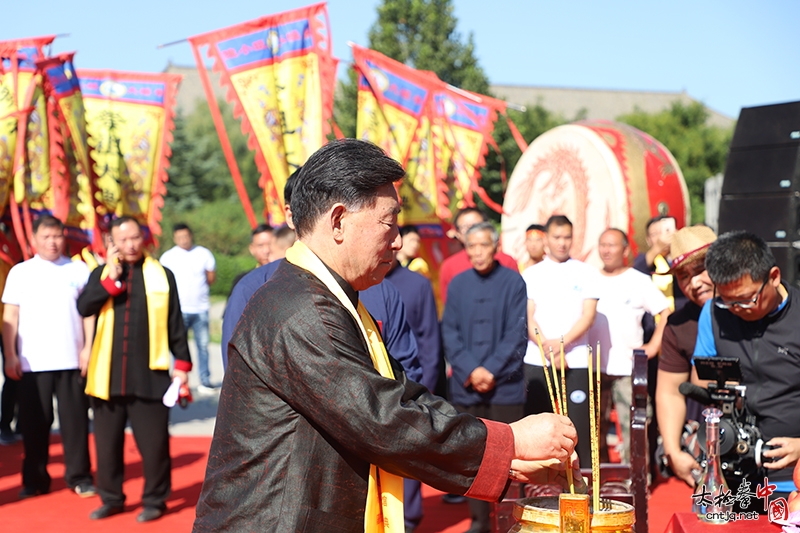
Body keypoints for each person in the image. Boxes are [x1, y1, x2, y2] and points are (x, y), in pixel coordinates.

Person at [194, 139, 583, 532]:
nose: (397, 239)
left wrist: (511, 459)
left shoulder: (329, 296)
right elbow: (383, 419)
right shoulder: (301, 308)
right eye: (389, 222)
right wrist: (509, 444)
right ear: (338, 220)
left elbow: (402, 396)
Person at [77, 216, 193, 522]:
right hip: (107, 376)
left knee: (155, 447)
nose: (130, 245)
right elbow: (84, 307)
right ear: (112, 243)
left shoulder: (162, 275)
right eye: (123, 240)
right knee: (107, 447)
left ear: (143, 239)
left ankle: (155, 499)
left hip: (150, 376)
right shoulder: (100, 274)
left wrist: (181, 366)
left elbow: (175, 324)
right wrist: (110, 281)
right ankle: (111, 498)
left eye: (134, 238)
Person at [693, 231, 800, 499]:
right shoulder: (713, 312)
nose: (737, 308)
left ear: (773, 277)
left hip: (793, 477)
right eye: (728, 301)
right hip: (732, 471)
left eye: (747, 299)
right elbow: (700, 379)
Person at [1, 215, 96, 498]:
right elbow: (10, 315)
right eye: (46, 237)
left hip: (71, 358)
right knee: (34, 424)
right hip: (32, 361)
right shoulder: (21, 272)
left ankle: (79, 477)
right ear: (34, 239)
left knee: (76, 422)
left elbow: (88, 312)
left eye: (57, 236)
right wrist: (10, 355)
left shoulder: (78, 270)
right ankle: (35, 480)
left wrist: (88, 348)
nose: (52, 242)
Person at [442, 221, 528, 533]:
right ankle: (479, 520)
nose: (477, 252)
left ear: (495, 246)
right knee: (471, 457)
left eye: (483, 245)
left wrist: (490, 370)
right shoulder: (458, 283)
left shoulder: (513, 282)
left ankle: (509, 520)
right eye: (471, 246)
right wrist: (471, 370)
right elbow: (449, 332)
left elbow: (517, 335)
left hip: (504, 386)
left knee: (509, 459)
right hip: (467, 387)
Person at [522, 214, 599, 467]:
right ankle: (538, 485)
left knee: (578, 428)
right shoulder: (531, 274)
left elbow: (588, 316)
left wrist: (562, 344)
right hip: (538, 360)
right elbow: (529, 316)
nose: (562, 243)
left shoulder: (586, 272)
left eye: (567, 237)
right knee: (538, 426)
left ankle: (580, 485)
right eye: (557, 237)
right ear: (547, 238)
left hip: (575, 361)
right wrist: (548, 348)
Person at [593, 228, 671, 463]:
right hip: (594, 368)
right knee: (594, 428)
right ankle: (603, 480)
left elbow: (665, 312)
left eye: (612, 245)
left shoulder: (638, 280)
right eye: (603, 245)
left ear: (626, 250)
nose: (606, 250)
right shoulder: (589, 278)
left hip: (628, 368)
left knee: (634, 428)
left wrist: (654, 345)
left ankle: (636, 480)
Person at [654, 225, 716, 487]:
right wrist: (673, 451)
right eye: (683, 275)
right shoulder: (677, 325)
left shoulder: (758, 308)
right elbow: (669, 392)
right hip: (709, 439)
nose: (694, 282)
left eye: (701, 269)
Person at [384, 250, 441, 533]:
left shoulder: (417, 284)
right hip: (379, 389)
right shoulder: (360, 283)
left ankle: (410, 519)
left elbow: (430, 341)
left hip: (413, 384)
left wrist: (424, 391)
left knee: (410, 456)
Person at [159, 223, 216, 391]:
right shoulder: (167, 257)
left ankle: (205, 380)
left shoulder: (203, 253)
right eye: (179, 237)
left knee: (203, 346)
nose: (183, 240)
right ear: (174, 238)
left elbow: (211, 277)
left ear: (191, 235)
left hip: (200, 308)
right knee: (177, 347)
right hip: (179, 310)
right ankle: (178, 380)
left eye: (186, 236)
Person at [438, 207, 518, 305]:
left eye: (476, 225)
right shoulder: (449, 266)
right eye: (465, 227)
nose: (471, 230)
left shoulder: (506, 261)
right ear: (457, 233)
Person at [229, 224, 273, 294]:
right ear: (252, 249)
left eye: (270, 244)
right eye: (260, 246)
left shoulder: (288, 276)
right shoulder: (243, 281)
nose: (266, 250)